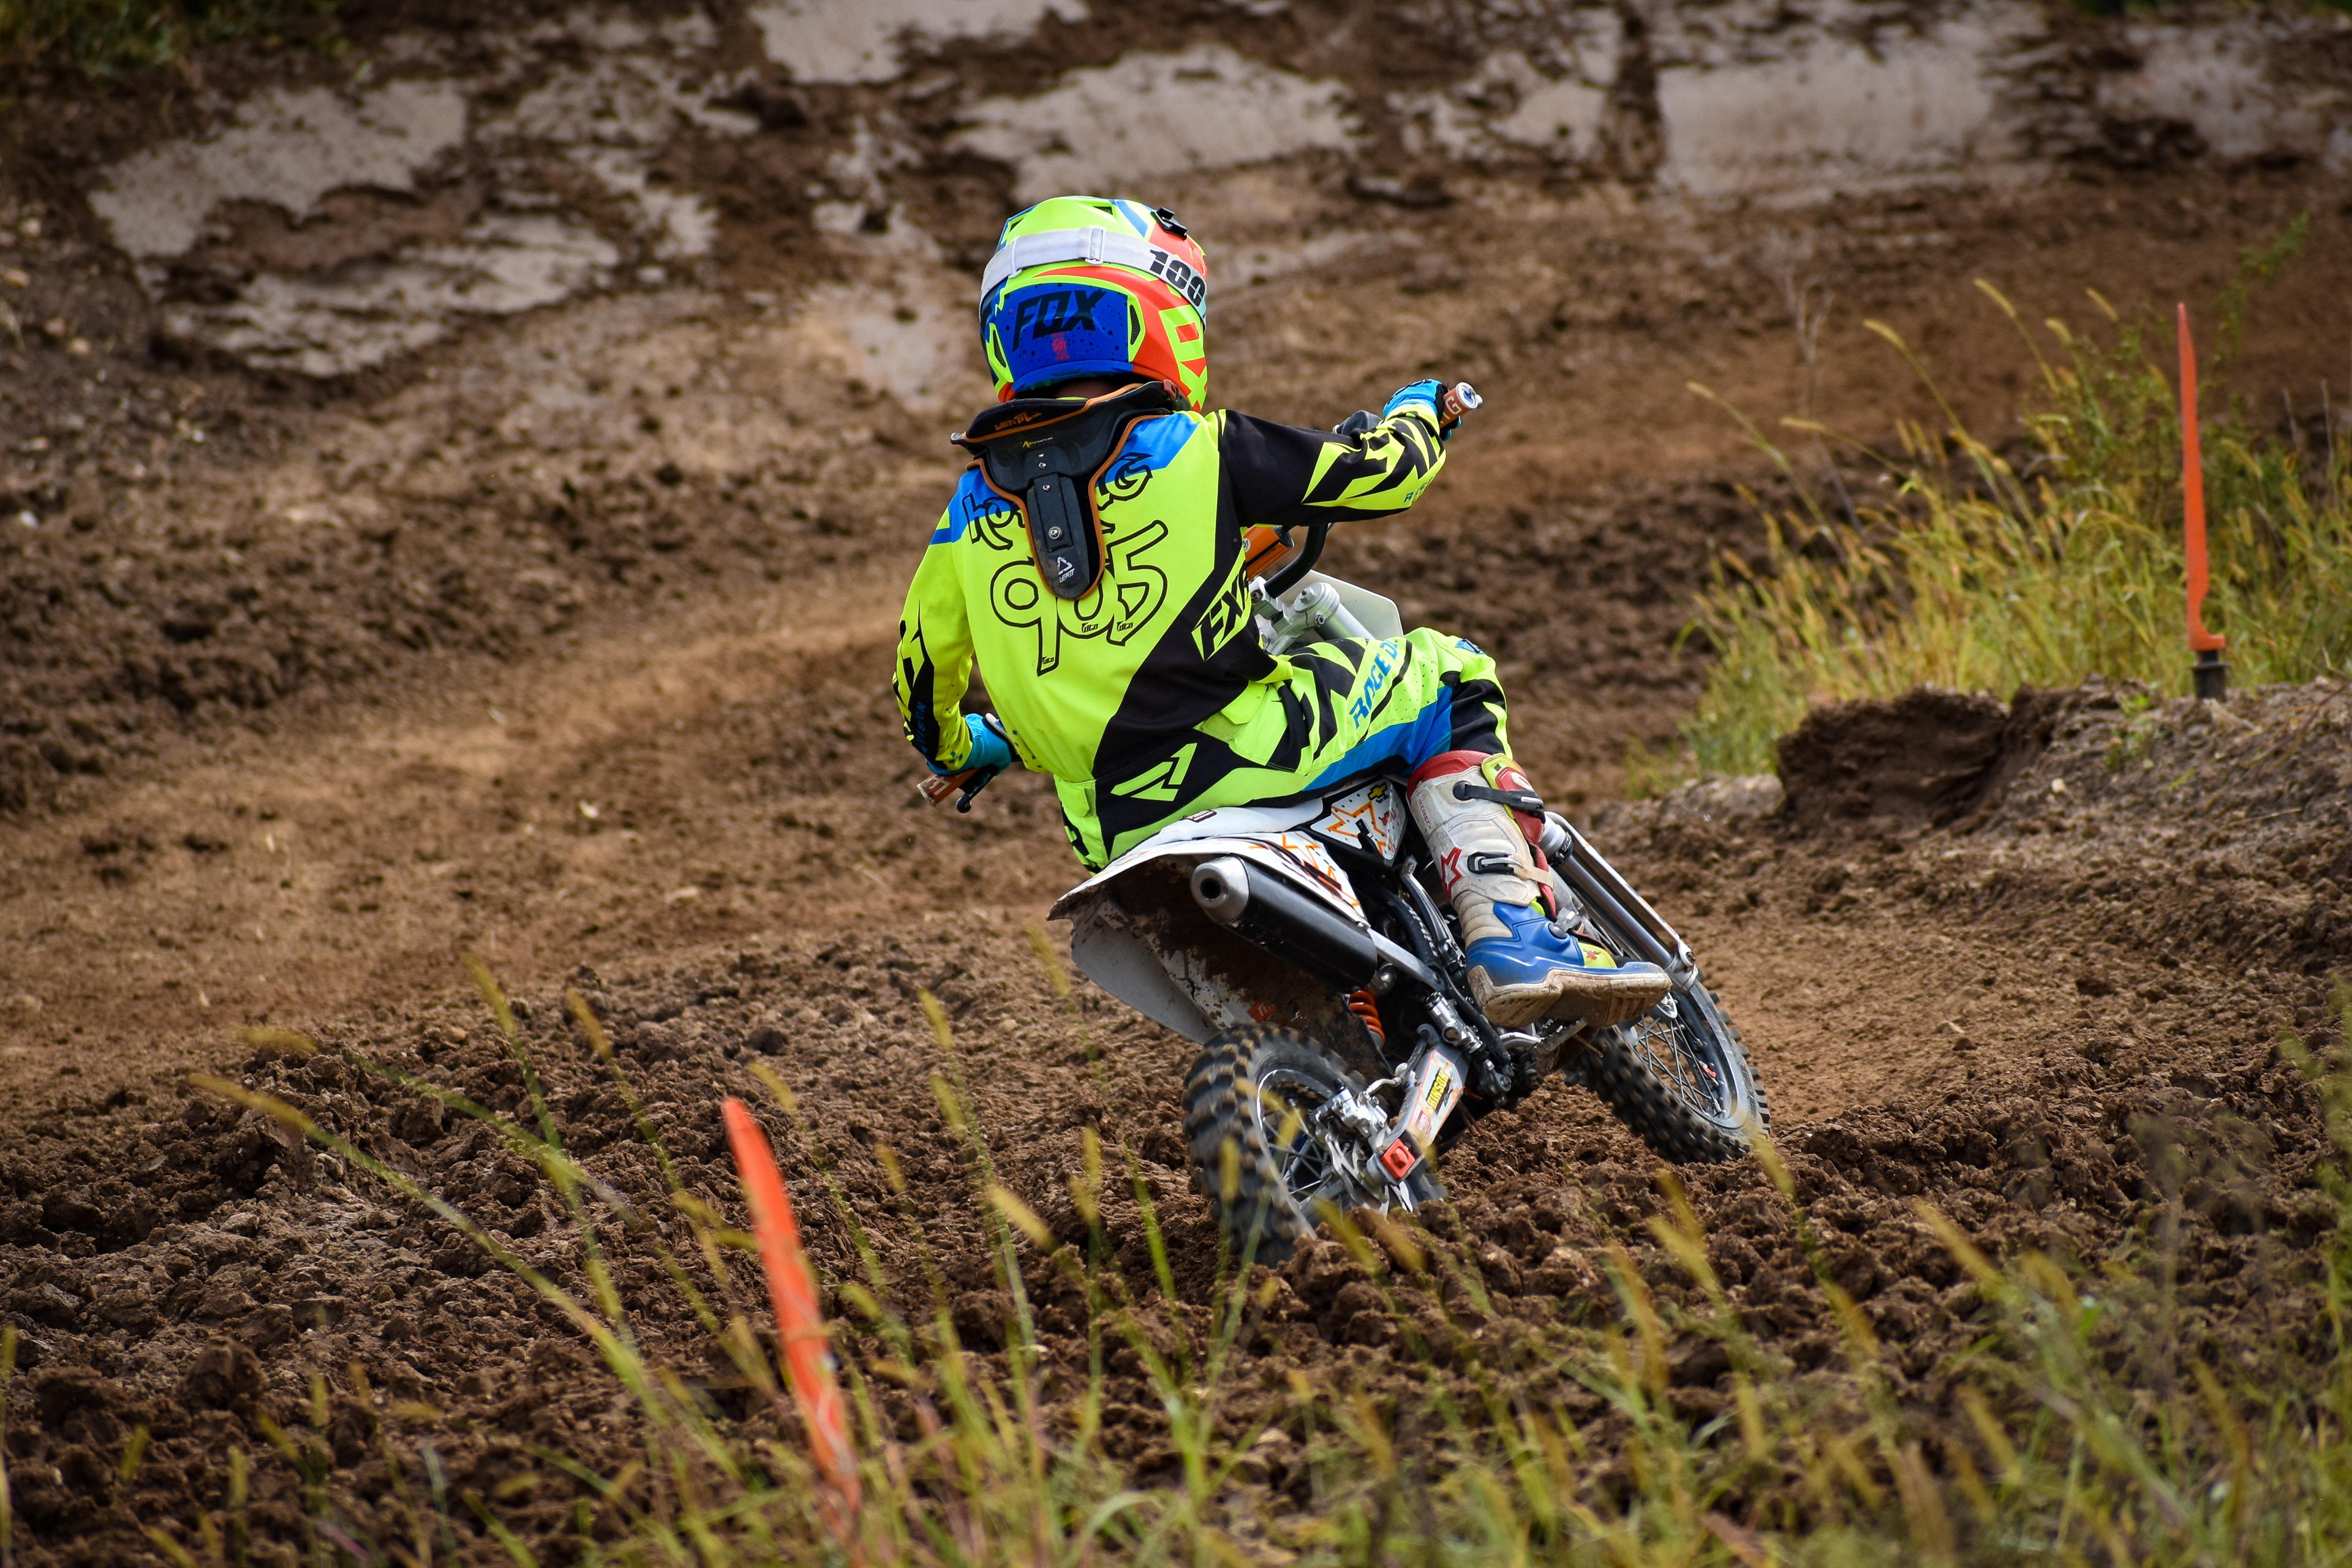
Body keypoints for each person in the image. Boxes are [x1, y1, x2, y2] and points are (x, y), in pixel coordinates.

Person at [892, 195, 1667, 1030]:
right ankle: (1514, 933)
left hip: (1111, 828)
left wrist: (972, 747)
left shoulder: (966, 512)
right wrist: (1420, 412)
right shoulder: (1202, 447)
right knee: (1450, 675)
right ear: (1156, 316)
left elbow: (920, 684)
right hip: (1251, 752)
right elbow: (1385, 477)